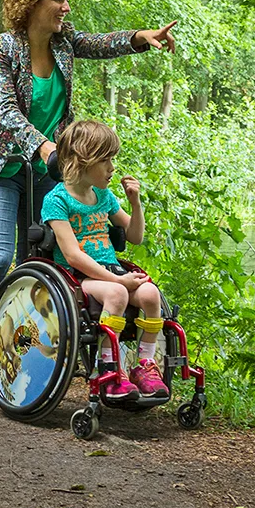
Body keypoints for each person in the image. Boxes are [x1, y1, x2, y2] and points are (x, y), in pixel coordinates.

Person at [0, 0, 176, 386]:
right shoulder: (1, 47)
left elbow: (100, 43)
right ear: (34, 1)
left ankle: (27, 348)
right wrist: (42, 145)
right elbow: (4, 109)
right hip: (2, 163)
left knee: (37, 259)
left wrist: (140, 38)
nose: (65, 8)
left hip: (49, 167)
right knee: (1, 256)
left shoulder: (64, 43)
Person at [41, 120, 168, 400]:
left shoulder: (104, 196)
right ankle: (108, 369)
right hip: (77, 277)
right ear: (81, 162)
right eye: (105, 160)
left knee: (150, 294)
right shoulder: (57, 200)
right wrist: (117, 279)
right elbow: (73, 254)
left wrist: (135, 204)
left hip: (111, 271)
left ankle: (144, 365)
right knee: (117, 292)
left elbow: (134, 236)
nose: (112, 168)